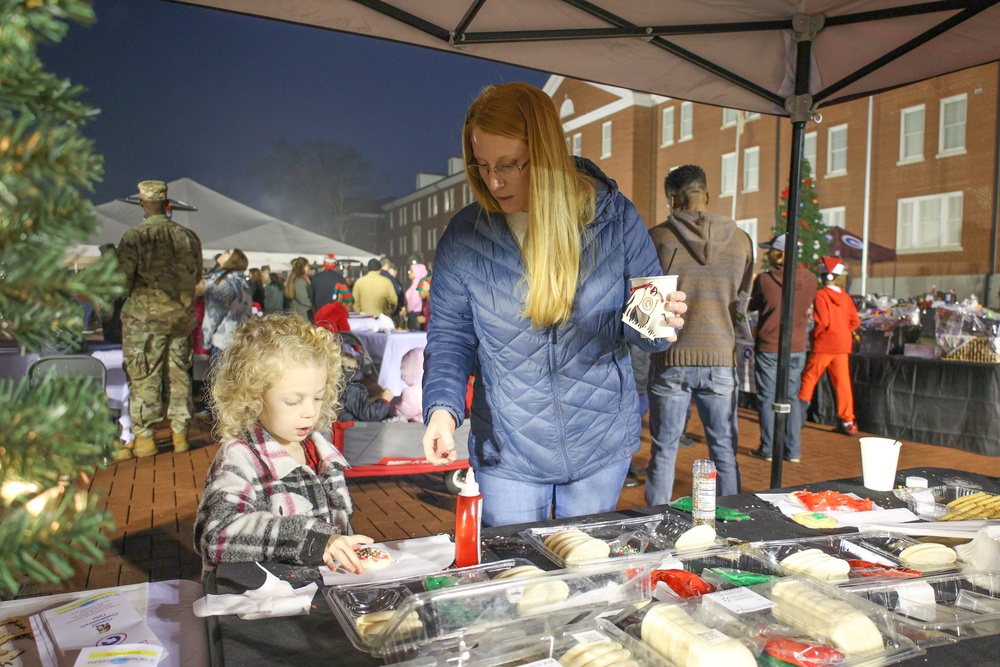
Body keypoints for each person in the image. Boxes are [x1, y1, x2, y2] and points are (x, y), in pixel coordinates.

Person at [420, 82, 686, 527]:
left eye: (508, 165)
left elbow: (649, 335)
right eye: (481, 164)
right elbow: (449, 338)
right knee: (519, 577)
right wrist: (442, 410)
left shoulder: (615, 218)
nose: (493, 181)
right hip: (509, 450)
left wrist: (657, 324)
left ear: (544, 154)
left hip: (599, 441)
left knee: (586, 576)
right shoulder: (463, 236)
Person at [194, 314, 374, 577]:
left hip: (319, 593)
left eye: (318, 397)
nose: (310, 412)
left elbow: (338, 532)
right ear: (253, 397)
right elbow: (215, 535)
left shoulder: (321, 454)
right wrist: (311, 539)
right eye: (293, 401)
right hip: (261, 602)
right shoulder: (240, 458)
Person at [645, 165, 753, 505]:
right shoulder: (741, 240)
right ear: (706, 194)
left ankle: (657, 526)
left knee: (664, 450)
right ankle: (734, 528)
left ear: (673, 199)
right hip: (721, 357)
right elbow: (743, 304)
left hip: (671, 356)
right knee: (724, 451)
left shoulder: (658, 237)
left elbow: (645, 304)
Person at [116, 180, 203, 458]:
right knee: (179, 375)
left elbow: (120, 281)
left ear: (142, 204)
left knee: (145, 376)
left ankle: (145, 439)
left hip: (145, 321)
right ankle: (180, 435)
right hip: (180, 320)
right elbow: (197, 276)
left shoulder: (135, 237)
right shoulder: (187, 236)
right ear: (168, 204)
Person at [748, 234, 818, 463]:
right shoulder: (811, 279)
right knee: (791, 397)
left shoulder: (766, 280)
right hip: (796, 346)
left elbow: (752, 306)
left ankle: (768, 448)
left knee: (768, 398)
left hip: (769, 346)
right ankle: (793, 450)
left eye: (770, 250)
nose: (767, 254)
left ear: (779, 254)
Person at [799, 256, 861, 436]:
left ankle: (798, 417)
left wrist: (814, 335)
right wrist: (842, 330)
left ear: (822, 276)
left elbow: (823, 322)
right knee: (843, 383)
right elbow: (855, 321)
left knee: (809, 378)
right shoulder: (846, 297)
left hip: (825, 343)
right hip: (842, 344)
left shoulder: (820, 295)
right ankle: (848, 421)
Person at [202, 249, 253, 356]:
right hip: (239, 337)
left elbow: (214, 313)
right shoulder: (241, 281)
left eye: (227, 252)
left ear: (233, 260)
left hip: (223, 340)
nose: (222, 253)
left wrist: (206, 340)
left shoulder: (225, 282)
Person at [337, 355, 393, 423]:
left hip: (346, 427)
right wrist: (385, 401)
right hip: (354, 430)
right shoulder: (352, 387)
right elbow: (369, 414)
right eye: (357, 364)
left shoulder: (342, 384)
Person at [380, 257, 405, 323]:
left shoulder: (377, 277)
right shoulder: (392, 280)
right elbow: (398, 294)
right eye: (394, 269)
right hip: (391, 313)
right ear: (389, 269)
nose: (396, 272)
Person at [404, 263, 429, 330]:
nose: (409, 273)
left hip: (417, 313)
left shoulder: (422, 284)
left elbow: (416, 300)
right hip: (411, 313)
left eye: (411, 271)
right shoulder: (413, 284)